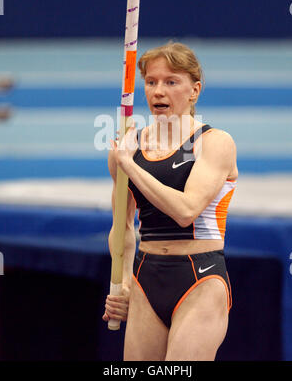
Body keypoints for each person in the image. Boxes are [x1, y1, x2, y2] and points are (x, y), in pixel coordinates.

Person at [102, 42, 238, 361]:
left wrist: (130, 165)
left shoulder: (214, 142)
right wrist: (121, 281)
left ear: (194, 90)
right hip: (145, 277)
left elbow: (186, 211)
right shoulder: (128, 149)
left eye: (171, 82)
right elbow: (121, 226)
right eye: (151, 82)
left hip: (200, 279)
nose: (158, 91)